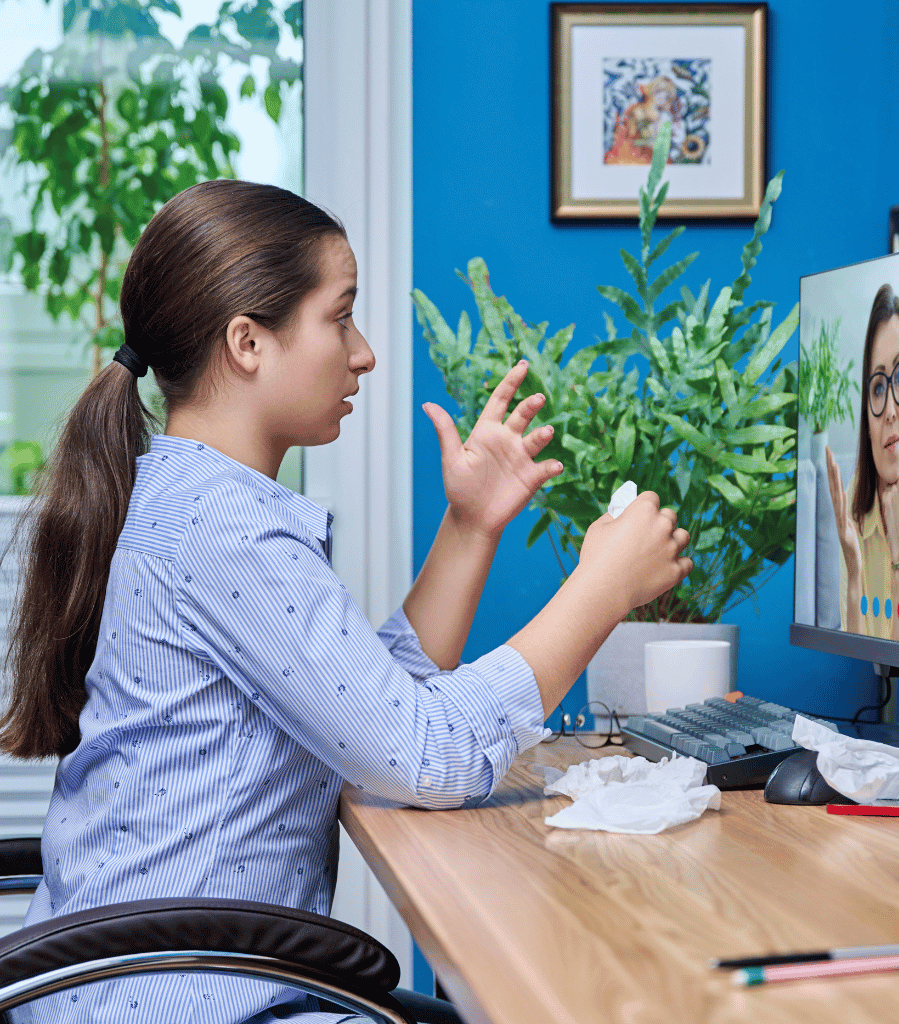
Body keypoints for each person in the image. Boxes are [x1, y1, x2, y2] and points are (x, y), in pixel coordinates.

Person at [0, 180, 692, 1023]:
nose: (362, 352)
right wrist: (601, 590)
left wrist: (469, 528)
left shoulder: (196, 501)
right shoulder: (225, 529)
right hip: (171, 999)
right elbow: (424, 756)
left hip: (143, 984)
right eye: (340, 318)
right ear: (248, 342)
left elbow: (368, 714)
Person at [825, 283, 899, 647]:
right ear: (867, 411)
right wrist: (854, 570)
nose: (890, 408)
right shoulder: (854, 504)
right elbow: (854, 663)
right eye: (878, 388)